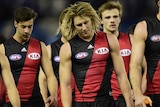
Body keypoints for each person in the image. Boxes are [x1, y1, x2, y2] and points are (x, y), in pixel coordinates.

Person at [59, 1, 133, 107]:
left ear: (92, 19)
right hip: (81, 102)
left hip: (106, 100)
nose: (84, 28)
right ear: (73, 26)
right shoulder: (67, 48)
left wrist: (129, 103)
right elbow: (66, 85)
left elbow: (121, 75)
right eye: (79, 25)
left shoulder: (109, 39)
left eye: (86, 22)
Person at [0, 7, 58, 107]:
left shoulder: (40, 46)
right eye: (23, 26)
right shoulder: (3, 48)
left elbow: (50, 75)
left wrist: (53, 95)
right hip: (11, 101)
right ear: (15, 24)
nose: (27, 31)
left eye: (30, 27)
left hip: (35, 101)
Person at [98, 1, 147, 106]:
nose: (112, 20)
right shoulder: (94, 43)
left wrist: (139, 92)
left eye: (115, 16)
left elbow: (146, 69)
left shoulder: (132, 40)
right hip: (102, 98)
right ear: (101, 20)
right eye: (107, 17)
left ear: (120, 19)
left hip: (125, 97)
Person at [39, 7, 75, 107]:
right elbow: (42, 79)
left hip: (81, 97)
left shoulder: (83, 47)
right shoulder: (50, 49)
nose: (68, 27)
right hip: (60, 98)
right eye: (66, 24)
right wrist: (44, 101)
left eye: (71, 24)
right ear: (60, 24)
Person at [129, 0, 160, 106]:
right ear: (159, 3)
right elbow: (135, 64)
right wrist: (138, 95)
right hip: (154, 94)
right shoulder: (144, 27)